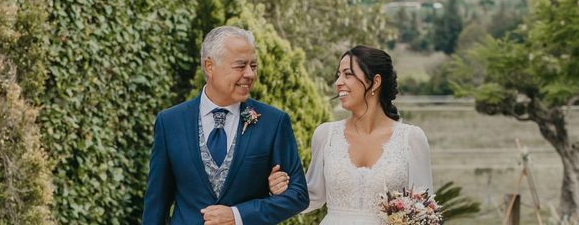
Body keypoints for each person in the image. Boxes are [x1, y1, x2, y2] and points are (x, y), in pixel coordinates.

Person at [141, 25, 309, 225]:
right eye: (240, 66)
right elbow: (156, 204)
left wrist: (238, 215)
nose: (250, 74)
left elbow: (298, 195)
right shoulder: (169, 122)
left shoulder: (273, 122)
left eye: (253, 66)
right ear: (210, 66)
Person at [269, 45, 433, 224]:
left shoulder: (412, 139)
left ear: (375, 82)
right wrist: (282, 190)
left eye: (348, 74)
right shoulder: (326, 135)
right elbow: (312, 196)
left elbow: (423, 211)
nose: (338, 82)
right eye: (338, 75)